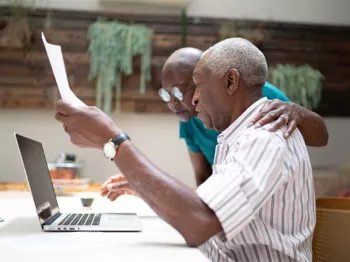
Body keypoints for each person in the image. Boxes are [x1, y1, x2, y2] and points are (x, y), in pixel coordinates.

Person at [55, 37, 315, 261]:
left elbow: (200, 222)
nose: (193, 99)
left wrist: (114, 140)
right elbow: (205, 209)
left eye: (198, 84)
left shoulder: (263, 139)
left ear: (230, 82)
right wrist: (145, 187)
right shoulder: (234, 137)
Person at [101, 47, 328, 197]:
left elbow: (321, 137)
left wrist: (296, 111)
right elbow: (204, 181)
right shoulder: (189, 118)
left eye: (180, 93)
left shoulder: (259, 100)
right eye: (165, 94)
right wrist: (146, 187)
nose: (171, 103)